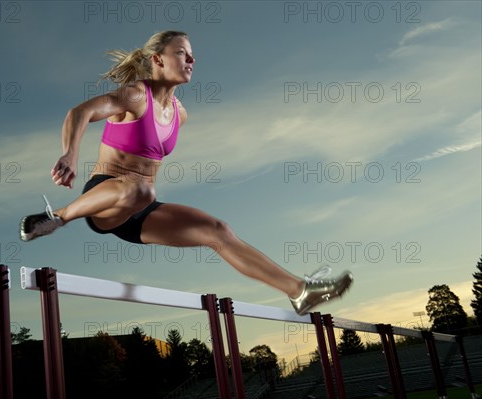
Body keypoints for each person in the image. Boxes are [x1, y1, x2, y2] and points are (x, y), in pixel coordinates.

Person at [20, 31, 352, 315]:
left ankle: (298, 290)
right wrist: (70, 153)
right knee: (139, 190)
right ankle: (58, 217)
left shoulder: (180, 114)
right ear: (158, 59)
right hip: (106, 196)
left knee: (218, 231)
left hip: (140, 209)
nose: (191, 60)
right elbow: (80, 111)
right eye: (181, 53)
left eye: (192, 56)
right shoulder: (137, 95)